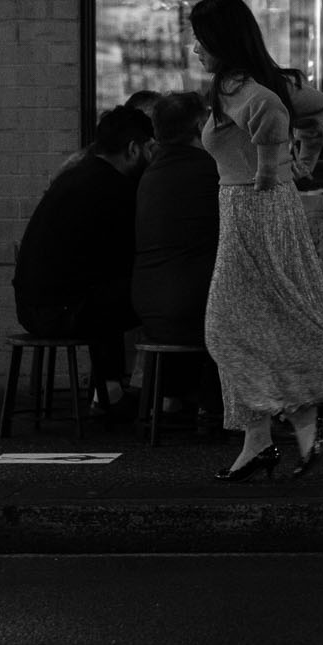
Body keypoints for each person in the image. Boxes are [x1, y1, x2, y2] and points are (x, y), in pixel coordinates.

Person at [190, 0, 323, 482]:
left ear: (222, 41)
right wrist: (302, 160)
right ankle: (262, 438)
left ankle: (301, 413)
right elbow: (316, 109)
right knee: (260, 320)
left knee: (230, 324)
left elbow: (294, 114)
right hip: (250, 210)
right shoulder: (246, 84)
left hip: (257, 210)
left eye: (200, 41)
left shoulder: (249, 89)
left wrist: (287, 163)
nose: (194, 50)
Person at [12, 105, 154, 425]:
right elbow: (127, 256)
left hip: (32, 307)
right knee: (158, 299)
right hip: (62, 312)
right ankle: (155, 395)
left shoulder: (76, 175)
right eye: (150, 148)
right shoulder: (115, 188)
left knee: (113, 290)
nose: (152, 155)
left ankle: (110, 391)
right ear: (133, 149)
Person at [130, 91, 221, 427]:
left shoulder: (151, 173)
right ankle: (219, 409)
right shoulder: (210, 171)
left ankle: (175, 398)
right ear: (199, 125)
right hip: (193, 309)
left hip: (148, 306)